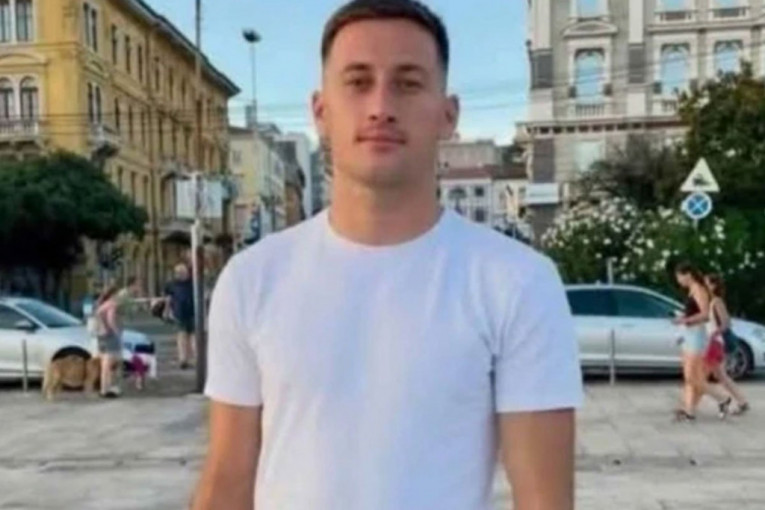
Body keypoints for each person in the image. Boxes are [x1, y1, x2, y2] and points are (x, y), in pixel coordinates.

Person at [192, 1, 583, 509]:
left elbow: (544, 500)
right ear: (321, 112)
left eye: (408, 83)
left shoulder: (517, 282)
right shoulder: (252, 279)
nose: (380, 106)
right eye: (358, 82)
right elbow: (228, 479)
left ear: (448, 115)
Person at [673, 262, 732, 421]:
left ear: (688, 274)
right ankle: (689, 412)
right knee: (690, 377)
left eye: (679, 277)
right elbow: (695, 312)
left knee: (693, 378)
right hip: (689, 335)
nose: (678, 280)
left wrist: (684, 320)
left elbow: (705, 315)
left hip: (697, 336)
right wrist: (684, 318)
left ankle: (722, 399)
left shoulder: (699, 290)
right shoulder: (692, 290)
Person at [703, 273, 749, 415]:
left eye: (707, 283)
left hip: (715, 342)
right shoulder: (711, 302)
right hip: (714, 342)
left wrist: (714, 334)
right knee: (720, 376)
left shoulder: (717, 302)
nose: (704, 286)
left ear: (714, 285)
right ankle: (741, 402)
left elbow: (726, 323)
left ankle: (725, 400)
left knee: (700, 376)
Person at [94, 284, 123, 398]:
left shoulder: (100, 304)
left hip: (100, 335)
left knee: (104, 363)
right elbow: (110, 320)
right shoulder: (112, 304)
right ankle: (107, 388)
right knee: (109, 363)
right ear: (114, 294)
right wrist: (116, 331)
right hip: (109, 335)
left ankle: (104, 388)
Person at [164, 263, 196, 369]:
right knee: (182, 335)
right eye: (178, 272)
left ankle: (195, 358)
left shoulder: (193, 283)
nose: (180, 274)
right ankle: (183, 359)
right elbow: (169, 298)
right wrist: (166, 310)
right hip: (179, 313)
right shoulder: (171, 284)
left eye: (183, 272)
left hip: (193, 312)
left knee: (193, 336)